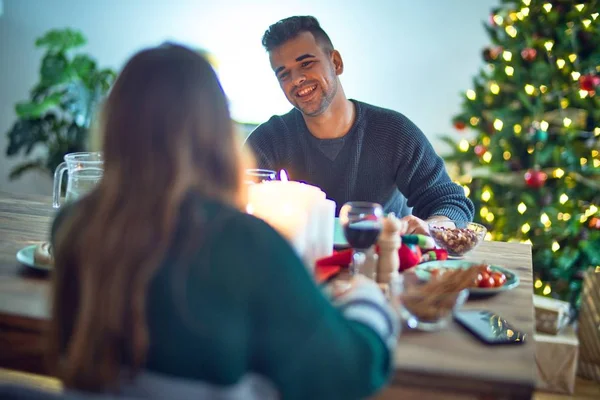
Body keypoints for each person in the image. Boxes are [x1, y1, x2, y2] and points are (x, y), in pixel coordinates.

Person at [48, 43, 398, 400]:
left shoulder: (73, 227)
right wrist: (369, 302)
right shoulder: (244, 242)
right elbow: (346, 373)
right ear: (216, 131)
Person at [246, 16, 474, 235]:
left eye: (306, 63)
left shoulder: (394, 132)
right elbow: (230, 207)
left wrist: (433, 227)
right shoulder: (268, 141)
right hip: (297, 270)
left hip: (382, 267)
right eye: (284, 74)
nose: (296, 79)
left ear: (336, 63)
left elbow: (450, 201)